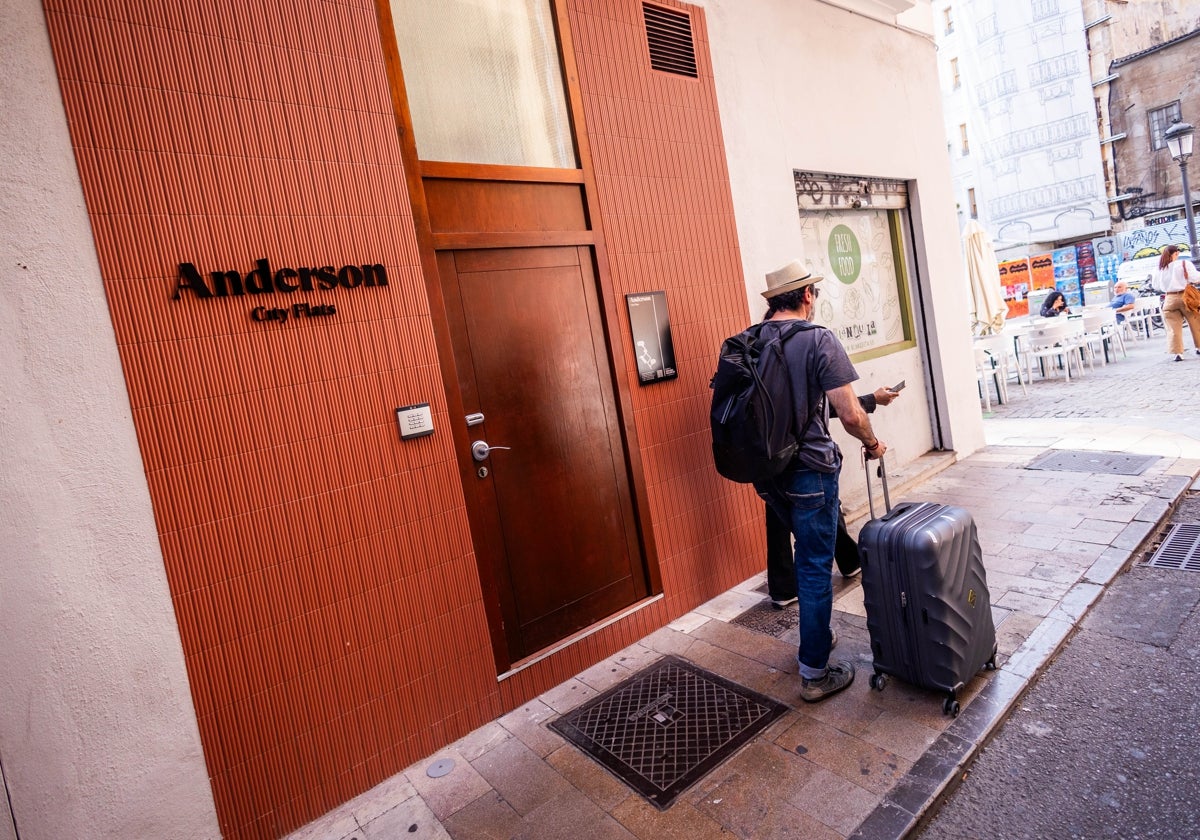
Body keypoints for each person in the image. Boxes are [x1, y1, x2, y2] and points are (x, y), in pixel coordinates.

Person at [753, 259, 886, 703]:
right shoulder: (817, 339)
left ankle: (815, 637)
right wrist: (871, 442)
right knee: (813, 567)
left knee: (806, 556)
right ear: (807, 296)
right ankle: (814, 672)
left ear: (773, 301)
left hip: (768, 475)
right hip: (810, 469)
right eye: (814, 293)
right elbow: (849, 413)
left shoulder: (751, 340)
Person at [766, 386, 899, 608]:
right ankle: (817, 637)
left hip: (764, 453)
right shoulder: (803, 351)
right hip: (806, 455)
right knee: (817, 541)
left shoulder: (753, 355)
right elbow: (842, 409)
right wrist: (872, 404)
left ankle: (784, 587)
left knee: (780, 511)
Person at [1155, 245, 1200, 362]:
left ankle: (1178, 353)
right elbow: (1195, 278)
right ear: (1176, 253)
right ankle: (1199, 347)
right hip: (1186, 297)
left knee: (1173, 328)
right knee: (1196, 322)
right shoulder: (1184, 263)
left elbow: (1156, 286)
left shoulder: (1160, 268)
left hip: (1169, 298)